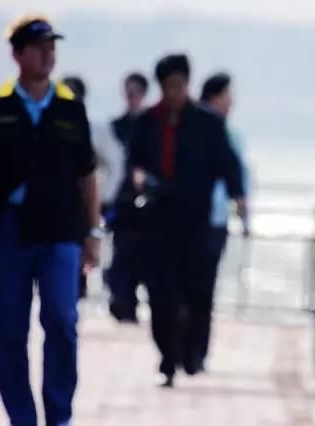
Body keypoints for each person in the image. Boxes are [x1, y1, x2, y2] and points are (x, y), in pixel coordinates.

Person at [0, 15, 101, 426]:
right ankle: (22, 418)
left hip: (61, 231)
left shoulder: (70, 109)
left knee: (62, 320)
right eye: (39, 47)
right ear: (18, 54)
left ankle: (59, 415)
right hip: (8, 231)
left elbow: (88, 177)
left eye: (52, 47)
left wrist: (93, 233)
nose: (48, 54)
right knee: (9, 332)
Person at [129, 54, 246, 387]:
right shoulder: (147, 122)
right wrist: (139, 179)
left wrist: (240, 201)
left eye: (180, 85)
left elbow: (229, 165)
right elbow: (134, 161)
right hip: (157, 222)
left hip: (196, 225)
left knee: (197, 293)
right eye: (169, 87)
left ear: (188, 84)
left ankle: (193, 355)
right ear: (161, 87)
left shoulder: (208, 122)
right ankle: (167, 358)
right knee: (161, 294)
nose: (175, 92)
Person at [199, 72, 250, 360]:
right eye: (228, 96)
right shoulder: (192, 127)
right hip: (192, 219)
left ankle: (198, 352)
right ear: (214, 97)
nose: (232, 103)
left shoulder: (232, 135)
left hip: (217, 221)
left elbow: (239, 178)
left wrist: (244, 216)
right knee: (192, 286)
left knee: (205, 286)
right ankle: (188, 349)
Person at [62, 75, 124, 300]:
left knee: (80, 256)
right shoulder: (47, 125)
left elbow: (115, 162)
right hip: (55, 205)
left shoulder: (93, 129)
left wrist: (106, 197)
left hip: (84, 204)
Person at [107, 72, 149, 322]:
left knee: (143, 256)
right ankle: (123, 304)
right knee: (121, 256)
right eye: (128, 93)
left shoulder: (150, 125)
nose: (130, 98)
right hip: (122, 203)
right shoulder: (116, 127)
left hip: (146, 206)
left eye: (134, 93)